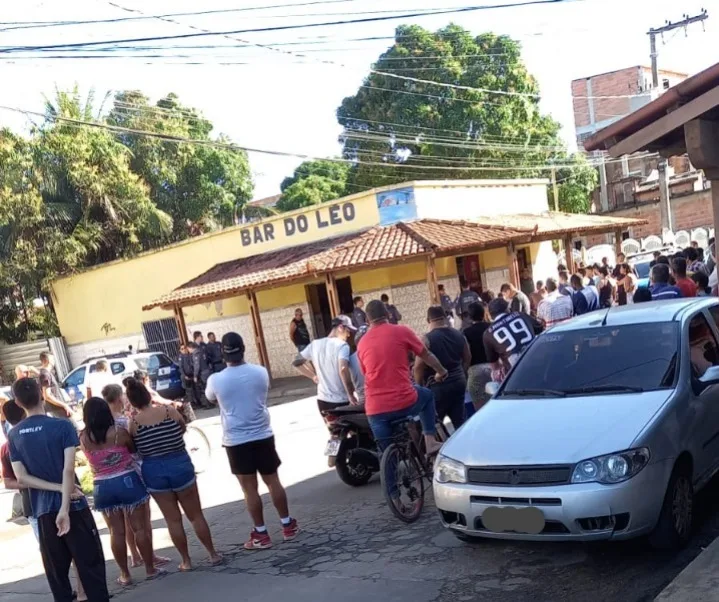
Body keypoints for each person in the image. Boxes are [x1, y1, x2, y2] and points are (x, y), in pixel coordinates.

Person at [9, 378, 110, 602]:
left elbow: (22, 478)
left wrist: (55, 491)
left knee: (58, 578)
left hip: (43, 512)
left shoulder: (14, 435)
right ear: (42, 394)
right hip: (73, 506)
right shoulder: (62, 426)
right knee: (91, 568)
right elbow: (67, 469)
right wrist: (64, 503)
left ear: (17, 402)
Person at [205, 332, 299, 550]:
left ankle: (261, 534)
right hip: (262, 434)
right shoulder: (261, 372)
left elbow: (210, 397)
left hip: (236, 439)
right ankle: (288, 526)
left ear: (222, 352)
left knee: (249, 490)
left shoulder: (216, 380)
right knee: (273, 481)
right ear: (244, 348)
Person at [126, 378, 221, 571]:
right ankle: (212, 553)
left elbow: (134, 448)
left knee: (173, 520)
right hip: (180, 464)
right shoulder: (169, 411)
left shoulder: (134, 423)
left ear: (132, 402)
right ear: (147, 395)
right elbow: (182, 427)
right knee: (196, 515)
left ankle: (186, 560)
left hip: (154, 471)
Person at [80, 397, 162, 586]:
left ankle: (125, 574)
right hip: (127, 481)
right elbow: (133, 450)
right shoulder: (119, 433)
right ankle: (150, 568)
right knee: (139, 528)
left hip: (101, 486)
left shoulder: (83, 437)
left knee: (115, 532)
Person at [357, 300, 448, 456]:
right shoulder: (401, 331)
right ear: (388, 314)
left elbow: (365, 373)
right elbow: (425, 354)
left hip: (375, 409)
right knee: (426, 396)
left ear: (367, 320)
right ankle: (430, 441)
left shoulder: (361, 343)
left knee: (386, 455)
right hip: (403, 400)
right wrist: (441, 371)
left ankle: (388, 471)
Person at [101, 385, 170, 572]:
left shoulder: (102, 423)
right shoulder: (124, 421)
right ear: (117, 399)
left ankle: (134, 556)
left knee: (124, 520)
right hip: (134, 470)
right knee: (142, 519)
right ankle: (150, 556)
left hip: (110, 476)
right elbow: (135, 446)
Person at [414, 306, 470, 430]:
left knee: (435, 425)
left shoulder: (426, 339)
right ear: (445, 317)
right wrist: (462, 373)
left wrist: (419, 388)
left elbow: (418, 367)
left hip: (438, 387)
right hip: (459, 382)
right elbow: (467, 358)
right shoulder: (459, 334)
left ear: (428, 320)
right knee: (460, 422)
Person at [294, 316, 356, 416]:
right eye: (348, 331)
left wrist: (313, 376)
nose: (348, 335)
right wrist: (350, 394)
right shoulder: (342, 346)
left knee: (333, 430)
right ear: (340, 327)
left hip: (322, 400)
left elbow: (296, 363)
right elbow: (343, 370)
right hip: (341, 400)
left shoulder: (315, 344)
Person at [484, 298, 537, 382]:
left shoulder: (488, 333)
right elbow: (541, 329)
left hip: (516, 374)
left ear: (490, 315)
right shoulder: (520, 315)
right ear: (507, 309)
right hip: (538, 361)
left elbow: (494, 366)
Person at [463, 303, 493, 411]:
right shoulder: (492, 327)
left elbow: (466, 355)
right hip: (494, 367)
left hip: (475, 371)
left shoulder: (466, 332)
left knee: (480, 408)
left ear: (470, 317)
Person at [38, 352, 73, 420]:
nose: (54, 361)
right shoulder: (45, 375)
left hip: (57, 409)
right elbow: (47, 396)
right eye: (52, 359)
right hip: (56, 410)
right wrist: (64, 405)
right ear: (48, 360)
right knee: (73, 427)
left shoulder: (46, 374)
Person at [191, 333, 212, 409]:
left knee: (206, 387)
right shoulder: (193, 346)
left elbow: (207, 356)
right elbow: (195, 363)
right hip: (200, 371)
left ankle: (209, 403)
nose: (202, 337)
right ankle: (205, 403)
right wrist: (195, 374)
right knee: (201, 388)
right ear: (197, 337)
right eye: (201, 336)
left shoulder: (203, 345)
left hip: (204, 370)